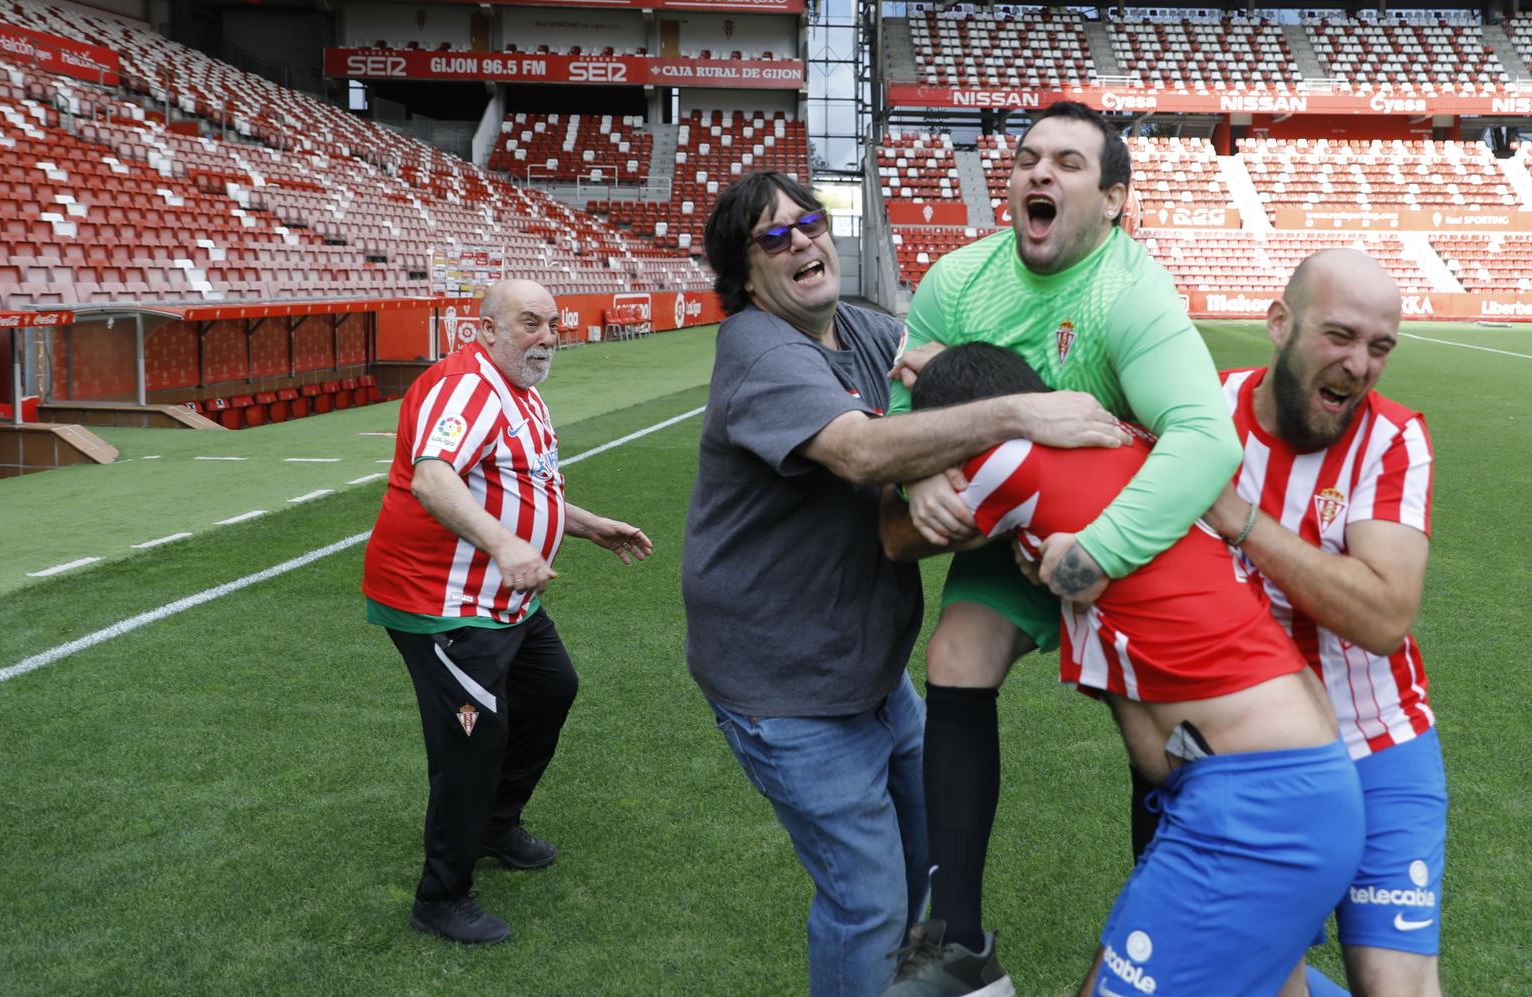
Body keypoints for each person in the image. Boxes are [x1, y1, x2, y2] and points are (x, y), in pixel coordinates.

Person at [682, 170, 1128, 996]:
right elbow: (858, 450)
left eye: (808, 222)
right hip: (784, 682)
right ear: (746, 278)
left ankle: (917, 985)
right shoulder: (758, 345)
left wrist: (926, 453)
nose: (803, 242)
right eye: (773, 238)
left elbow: (933, 375)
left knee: (933, 845)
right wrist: (1018, 417)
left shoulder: (855, 327)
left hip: (865, 667)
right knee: (866, 899)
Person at [880, 102, 1242, 995]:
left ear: (1114, 199)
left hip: (1126, 540)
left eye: (1070, 163)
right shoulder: (957, 279)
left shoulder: (1133, 289)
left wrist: (1093, 554)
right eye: (1027, 159)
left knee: (1158, 738)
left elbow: (1204, 439)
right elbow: (899, 416)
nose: (1040, 173)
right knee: (956, 652)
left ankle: (1168, 928)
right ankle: (955, 944)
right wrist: (920, 477)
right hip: (1009, 531)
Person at [896, 342, 1364, 997]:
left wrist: (919, 456)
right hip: (1294, 785)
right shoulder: (1128, 444)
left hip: (1251, 807)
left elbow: (895, 528)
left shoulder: (1006, 456)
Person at [362, 278, 654, 945]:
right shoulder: (465, 386)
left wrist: (587, 525)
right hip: (442, 603)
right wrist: (503, 544)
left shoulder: (518, 390)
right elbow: (433, 476)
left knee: (553, 687)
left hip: (503, 600)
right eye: (529, 322)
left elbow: (522, 488)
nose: (547, 335)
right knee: (475, 734)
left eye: (553, 323)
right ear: (484, 328)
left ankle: (494, 823)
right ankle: (441, 895)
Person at [1204, 248, 1442, 997]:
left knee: (1396, 985)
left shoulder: (1393, 439)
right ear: (1280, 323)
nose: (1361, 364)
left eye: (1380, 347)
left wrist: (1242, 519)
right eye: (1339, 335)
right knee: (1258, 978)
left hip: (1381, 745)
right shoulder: (1202, 411)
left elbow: (1383, 615)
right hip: (1257, 756)